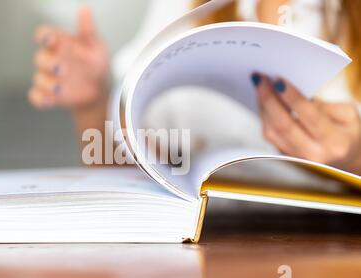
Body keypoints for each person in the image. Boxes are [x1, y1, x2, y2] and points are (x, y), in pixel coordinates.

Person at [28, 0, 361, 175]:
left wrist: (356, 160)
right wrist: (91, 102)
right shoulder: (184, 6)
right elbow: (129, 169)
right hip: (202, 260)